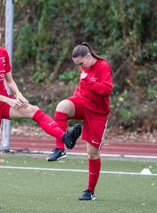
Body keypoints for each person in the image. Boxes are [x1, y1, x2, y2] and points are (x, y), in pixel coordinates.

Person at [0, 14, 82, 213]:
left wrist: (19, 95)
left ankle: (65, 138)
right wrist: (9, 99)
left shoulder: (3, 53)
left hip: (5, 102)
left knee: (33, 109)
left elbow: (9, 80)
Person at [48, 42, 113, 201]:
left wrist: (89, 82)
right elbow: (83, 89)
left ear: (89, 56)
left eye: (81, 63)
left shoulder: (103, 66)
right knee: (62, 106)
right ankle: (60, 148)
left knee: (92, 153)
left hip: (97, 113)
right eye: (78, 65)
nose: (80, 67)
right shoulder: (84, 68)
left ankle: (90, 192)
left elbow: (106, 90)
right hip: (82, 103)